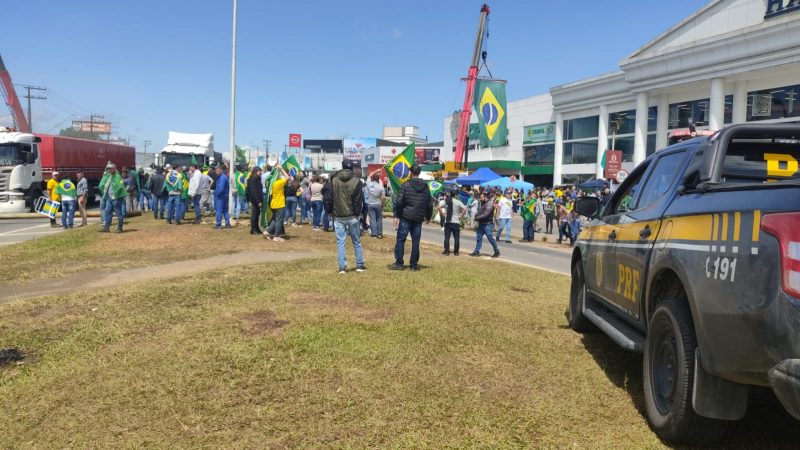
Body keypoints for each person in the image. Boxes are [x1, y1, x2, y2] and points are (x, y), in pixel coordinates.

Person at [323, 159, 366, 274]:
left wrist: (329, 211)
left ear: (341, 167)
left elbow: (328, 197)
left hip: (338, 216)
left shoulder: (334, 180)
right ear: (352, 168)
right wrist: (358, 214)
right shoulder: (357, 181)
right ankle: (360, 265)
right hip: (352, 216)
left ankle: (342, 267)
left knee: (340, 242)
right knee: (356, 241)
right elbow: (358, 200)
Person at [389, 164, 432, 271]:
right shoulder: (426, 186)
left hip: (406, 216)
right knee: (416, 241)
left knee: (401, 239)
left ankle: (399, 263)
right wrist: (428, 216)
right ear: (419, 173)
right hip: (418, 217)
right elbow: (429, 203)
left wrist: (397, 215)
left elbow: (399, 202)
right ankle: (413, 265)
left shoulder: (405, 185)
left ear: (411, 173)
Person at [470, 191, 500, 258]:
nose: (480, 198)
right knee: (479, 237)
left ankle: (496, 251)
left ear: (485, 197)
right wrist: (477, 214)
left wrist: (477, 218)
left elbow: (486, 214)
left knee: (490, 238)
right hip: (481, 223)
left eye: (481, 197)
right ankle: (476, 251)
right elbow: (480, 211)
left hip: (487, 224)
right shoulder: (483, 203)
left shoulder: (489, 203)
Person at [98, 162, 126, 233]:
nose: (109, 170)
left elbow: (120, 186)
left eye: (110, 169)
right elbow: (103, 184)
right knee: (107, 211)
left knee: (118, 212)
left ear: (114, 169)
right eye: (108, 169)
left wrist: (116, 195)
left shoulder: (118, 176)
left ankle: (120, 228)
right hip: (109, 198)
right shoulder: (109, 176)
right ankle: (106, 227)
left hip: (116, 198)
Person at [265, 165, 289, 240]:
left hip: (273, 203)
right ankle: (276, 236)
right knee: (279, 220)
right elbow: (287, 177)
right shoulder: (278, 183)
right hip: (279, 203)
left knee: (275, 219)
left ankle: (267, 231)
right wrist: (281, 169)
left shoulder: (271, 183)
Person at [441, 188, 466, 256]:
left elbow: (438, 206)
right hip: (456, 221)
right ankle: (456, 252)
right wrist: (461, 216)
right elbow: (465, 209)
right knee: (456, 237)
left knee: (447, 237)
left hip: (448, 221)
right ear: (456, 195)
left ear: (450, 194)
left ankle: (446, 251)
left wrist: (442, 214)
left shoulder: (447, 200)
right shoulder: (458, 202)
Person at [365, 170, 385, 238]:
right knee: (379, 219)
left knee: (372, 219)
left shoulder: (369, 184)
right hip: (378, 204)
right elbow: (383, 197)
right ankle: (379, 234)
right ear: (378, 179)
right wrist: (382, 204)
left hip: (370, 204)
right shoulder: (381, 187)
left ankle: (373, 233)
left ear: (372, 178)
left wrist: (376, 170)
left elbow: (369, 176)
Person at [246, 166, 264, 235]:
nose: (261, 173)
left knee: (257, 214)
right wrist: (258, 201)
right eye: (259, 172)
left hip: (257, 199)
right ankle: (253, 229)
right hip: (254, 200)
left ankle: (257, 228)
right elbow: (254, 192)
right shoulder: (252, 180)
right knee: (254, 214)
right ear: (256, 172)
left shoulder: (257, 179)